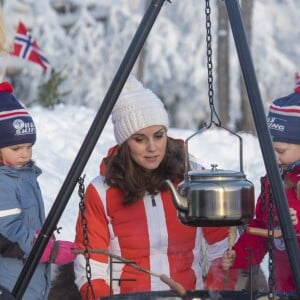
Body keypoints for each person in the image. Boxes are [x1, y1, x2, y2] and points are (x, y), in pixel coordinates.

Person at [73, 75, 239, 299]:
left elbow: (223, 248)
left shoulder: (192, 182)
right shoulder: (101, 191)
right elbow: (91, 266)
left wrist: (212, 293)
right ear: (124, 143)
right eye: (140, 139)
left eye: (158, 136)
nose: (152, 148)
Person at [222, 74, 300, 293]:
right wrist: (240, 254)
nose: (273, 158)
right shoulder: (273, 182)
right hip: (285, 288)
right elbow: (261, 228)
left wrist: (296, 221)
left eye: (280, 151)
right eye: (269, 150)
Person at [0, 82, 77, 299]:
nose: (24, 154)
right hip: (10, 280)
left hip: (30, 273)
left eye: (29, 146)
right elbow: (7, 231)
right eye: (16, 148)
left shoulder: (24, 175)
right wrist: (47, 248)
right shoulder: (3, 182)